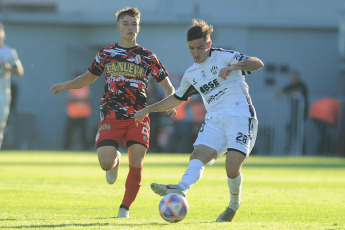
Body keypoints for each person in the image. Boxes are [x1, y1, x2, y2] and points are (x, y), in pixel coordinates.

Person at [50, 7, 175, 218]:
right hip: (111, 115)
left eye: (133, 24)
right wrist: (65, 85)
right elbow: (89, 77)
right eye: (125, 23)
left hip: (139, 116)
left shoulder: (147, 56)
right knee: (105, 163)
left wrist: (170, 101)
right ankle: (115, 160)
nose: (130, 27)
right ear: (118, 27)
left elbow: (168, 86)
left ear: (139, 28)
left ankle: (124, 209)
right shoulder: (106, 53)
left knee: (136, 160)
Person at [134, 19, 264, 222]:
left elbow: (257, 63)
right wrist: (149, 109)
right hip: (214, 119)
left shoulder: (225, 57)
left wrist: (234, 67)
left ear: (209, 45)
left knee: (231, 168)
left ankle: (233, 205)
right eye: (191, 48)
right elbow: (177, 98)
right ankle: (181, 187)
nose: (196, 53)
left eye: (200, 47)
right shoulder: (191, 74)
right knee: (198, 154)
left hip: (241, 116)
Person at [0, 23, 24, 149]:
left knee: (0, 126)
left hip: (3, 94)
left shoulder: (9, 52)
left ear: (4, 34)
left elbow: (20, 71)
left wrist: (8, 67)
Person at [276, 71, 308, 154]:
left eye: (295, 77)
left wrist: (287, 94)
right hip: (294, 114)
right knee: (291, 132)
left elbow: (298, 92)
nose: (294, 78)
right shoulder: (290, 86)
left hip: (302, 114)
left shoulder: (302, 85)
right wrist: (285, 93)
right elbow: (279, 93)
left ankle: (302, 152)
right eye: (293, 77)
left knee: (300, 132)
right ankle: (288, 150)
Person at [63, 72, 92, 151]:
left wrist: (76, 99)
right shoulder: (71, 88)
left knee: (84, 134)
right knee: (69, 133)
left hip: (83, 114)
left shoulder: (86, 87)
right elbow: (68, 99)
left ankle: (86, 149)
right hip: (72, 115)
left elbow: (89, 99)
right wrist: (81, 99)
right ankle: (66, 149)